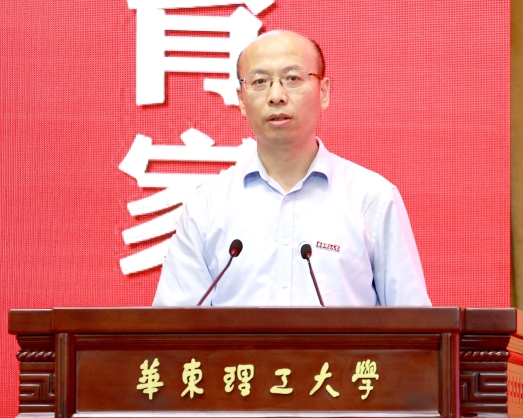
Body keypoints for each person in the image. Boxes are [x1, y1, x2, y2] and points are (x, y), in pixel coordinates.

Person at [153, 30, 431, 307]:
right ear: (241, 99)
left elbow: (413, 322)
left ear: (323, 92)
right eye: (260, 81)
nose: (276, 96)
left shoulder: (372, 199)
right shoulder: (206, 206)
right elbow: (173, 325)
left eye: (293, 79)